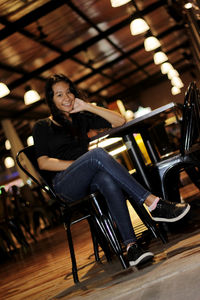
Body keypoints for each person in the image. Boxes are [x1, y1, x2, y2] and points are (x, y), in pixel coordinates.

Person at [32, 74, 190, 267]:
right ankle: (153, 203)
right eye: (59, 95)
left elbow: (120, 121)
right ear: (51, 99)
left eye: (69, 92)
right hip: (64, 184)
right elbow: (43, 162)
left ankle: (131, 247)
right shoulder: (42, 126)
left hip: (89, 178)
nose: (66, 98)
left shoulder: (80, 118)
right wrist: (80, 164)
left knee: (107, 179)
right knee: (96, 154)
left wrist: (87, 106)